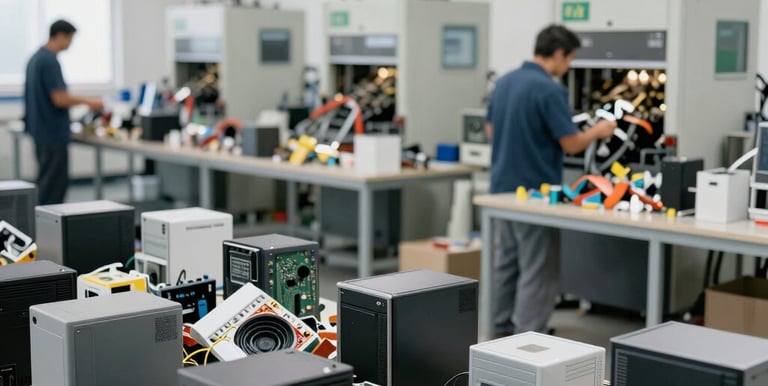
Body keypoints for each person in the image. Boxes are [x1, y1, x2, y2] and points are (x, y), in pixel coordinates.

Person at [485, 25, 617, 336]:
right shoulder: (550, 90)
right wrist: (599, 131)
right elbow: (571, 144)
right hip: (536, 194)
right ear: (559, 54)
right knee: (538, 268)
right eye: (569, 59)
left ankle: (498, 331)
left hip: (501, 191)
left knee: (506, 264)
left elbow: (490, 131)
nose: (568, 66)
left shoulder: (504, 82)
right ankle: (528, 337)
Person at [24, 20, 103, 205]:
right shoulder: (49, 61)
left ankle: (42, 218)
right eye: (70, 39)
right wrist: (89, 101)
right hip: (52, 134)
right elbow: (59, 99)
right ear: (60, 35)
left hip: (41, 132)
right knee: (53, 186)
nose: (70, 44)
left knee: (46, 181)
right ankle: (47, 221)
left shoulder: (35, 59)